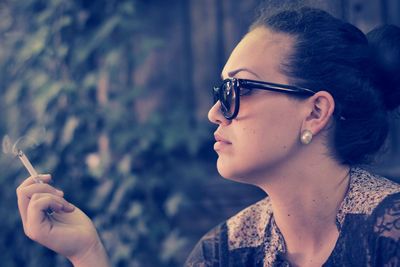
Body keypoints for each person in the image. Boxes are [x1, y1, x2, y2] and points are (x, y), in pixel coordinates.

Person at [16, 6, 400, 267]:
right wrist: (88, 252)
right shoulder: (226, 250)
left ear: (315, 112)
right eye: (220, 94)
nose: (214, 112)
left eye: (238, 91)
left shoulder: (391, 234)